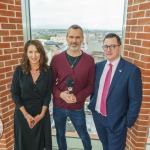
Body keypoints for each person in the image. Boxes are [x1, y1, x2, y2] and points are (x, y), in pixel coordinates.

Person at [88, 33, 142, 150]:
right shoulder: (98, 67)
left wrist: (127, 122)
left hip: (117, 122)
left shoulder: (131, 71)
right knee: (105, 146)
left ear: (120, 47)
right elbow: (94, 90)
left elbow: (135, 100)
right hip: (98, 118)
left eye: (112, 46)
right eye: (106, 46)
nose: (108, 50)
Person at [50, 24, 95, 150]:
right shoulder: (56, 59)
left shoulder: (89, 60)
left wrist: (78, 97)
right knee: (60, 135)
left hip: (77, 107)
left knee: (84, 135)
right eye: (71, 37)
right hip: (59, 106)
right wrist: (61, 94)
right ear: (66, 38)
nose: (74, 41)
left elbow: (91, 85)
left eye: (77, 37)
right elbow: (51, 83)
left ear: (82, 39)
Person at [10, 40, 52, 150]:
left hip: (40, 113)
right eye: (30, 52)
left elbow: (48, 95)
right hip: (23, 114)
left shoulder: (48, 71)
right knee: (22, 144)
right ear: (26, 53)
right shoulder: (19, 70)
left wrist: (42, 115)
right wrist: (26, 115)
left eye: (37, 52)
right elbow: (14, 93)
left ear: (41, 53)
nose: (34, 55)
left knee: (39, 145)